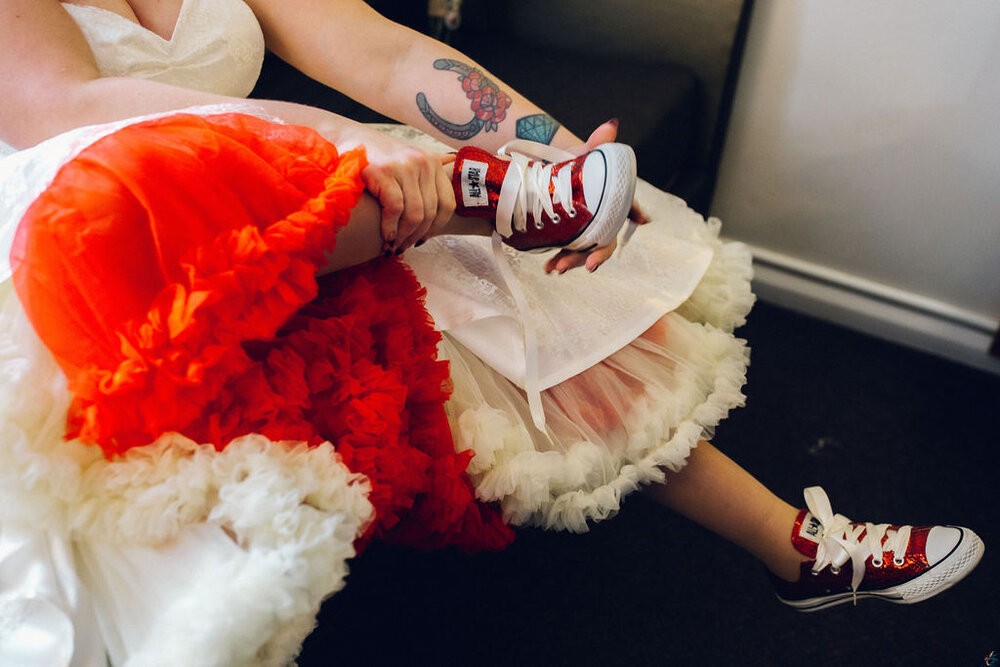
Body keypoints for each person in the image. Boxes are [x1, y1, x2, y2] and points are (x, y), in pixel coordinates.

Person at [0, 0, 984, 664]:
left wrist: (549, 150)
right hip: (97, 264)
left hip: (283, 222)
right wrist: (361, 148)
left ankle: (796, 546)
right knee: (133, 178)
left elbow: (385, 52)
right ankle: (500, 198)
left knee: (487, 284)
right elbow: (65, 113)